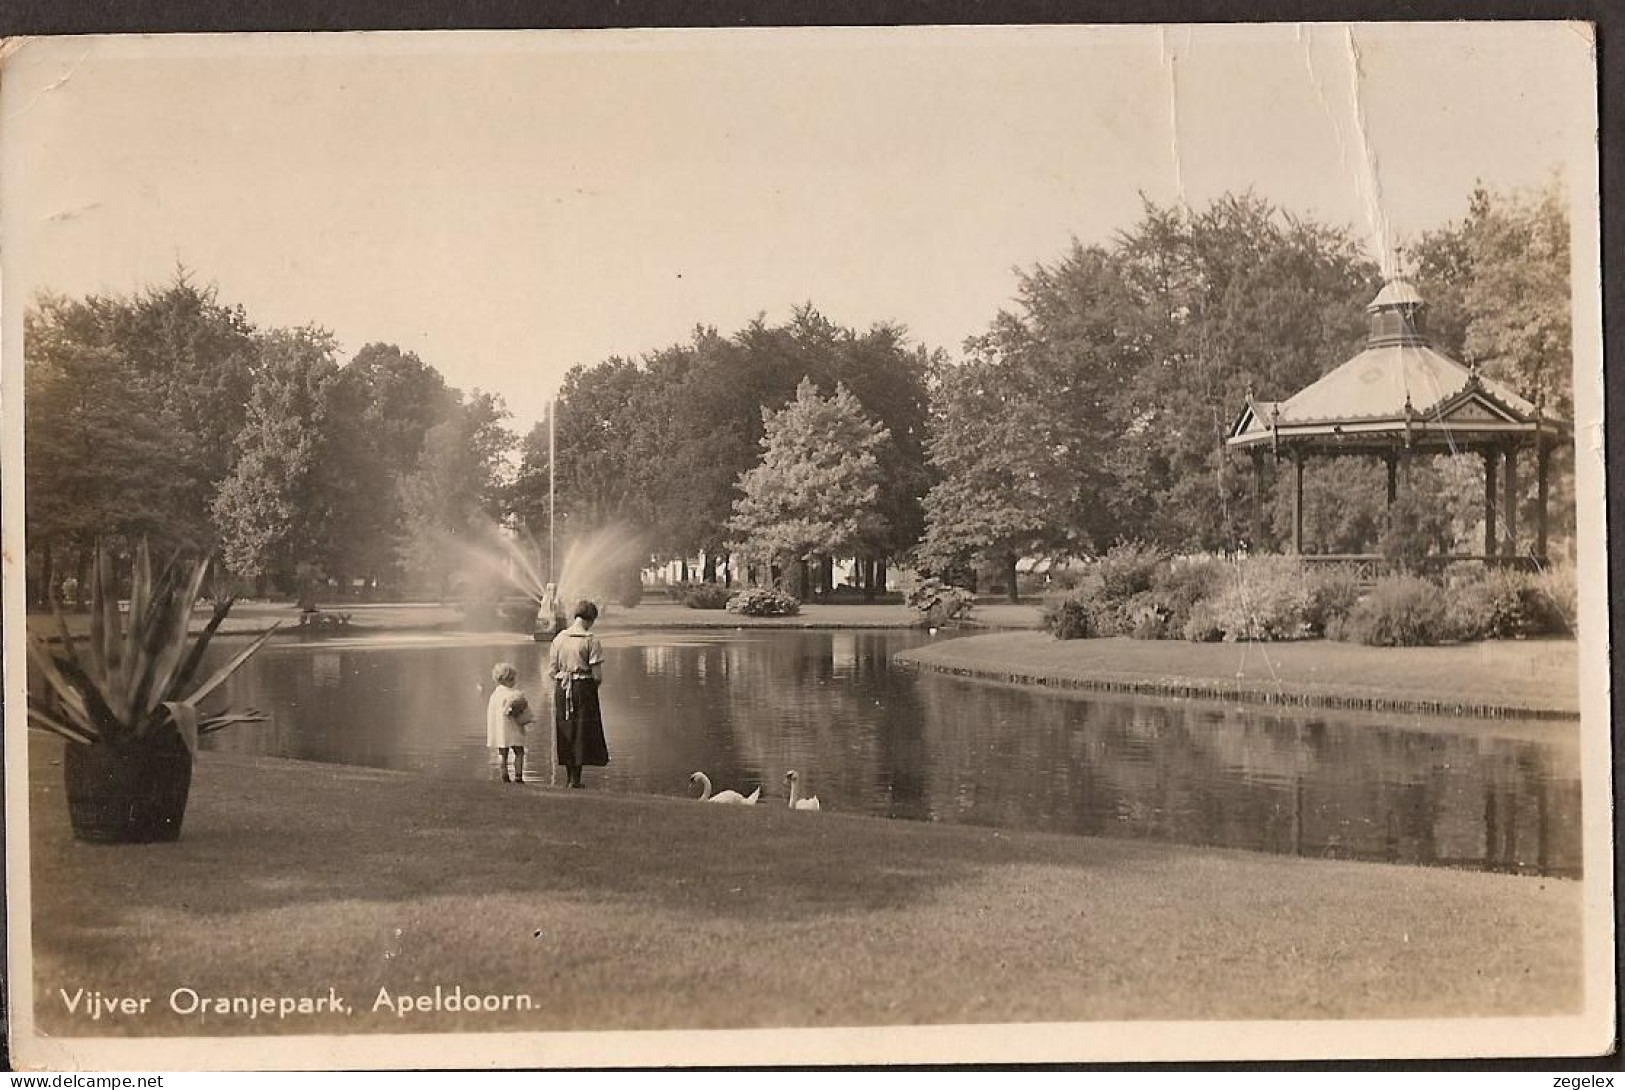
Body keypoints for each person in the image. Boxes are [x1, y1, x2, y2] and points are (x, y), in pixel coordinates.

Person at [549, 599, 609, 788]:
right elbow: (597, 675)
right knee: (582, 732)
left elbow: (551, 670)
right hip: (583, 688)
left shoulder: (559, 639)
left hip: (562, 686)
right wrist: (591, 690)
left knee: (566, 729)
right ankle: (576, 779)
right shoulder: (590, 640)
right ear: (591, 619)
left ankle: (569, 778)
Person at [486, 662, 535, 784]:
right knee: (519, 751)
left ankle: (504, 776)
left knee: (503, 753)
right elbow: (523, 710)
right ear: (508, 680)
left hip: (500, 730)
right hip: (514, 729)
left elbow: (491, 713)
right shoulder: (514, 694)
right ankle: (518, 777)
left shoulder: (495, 695)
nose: (514, 682)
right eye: (512, 679)